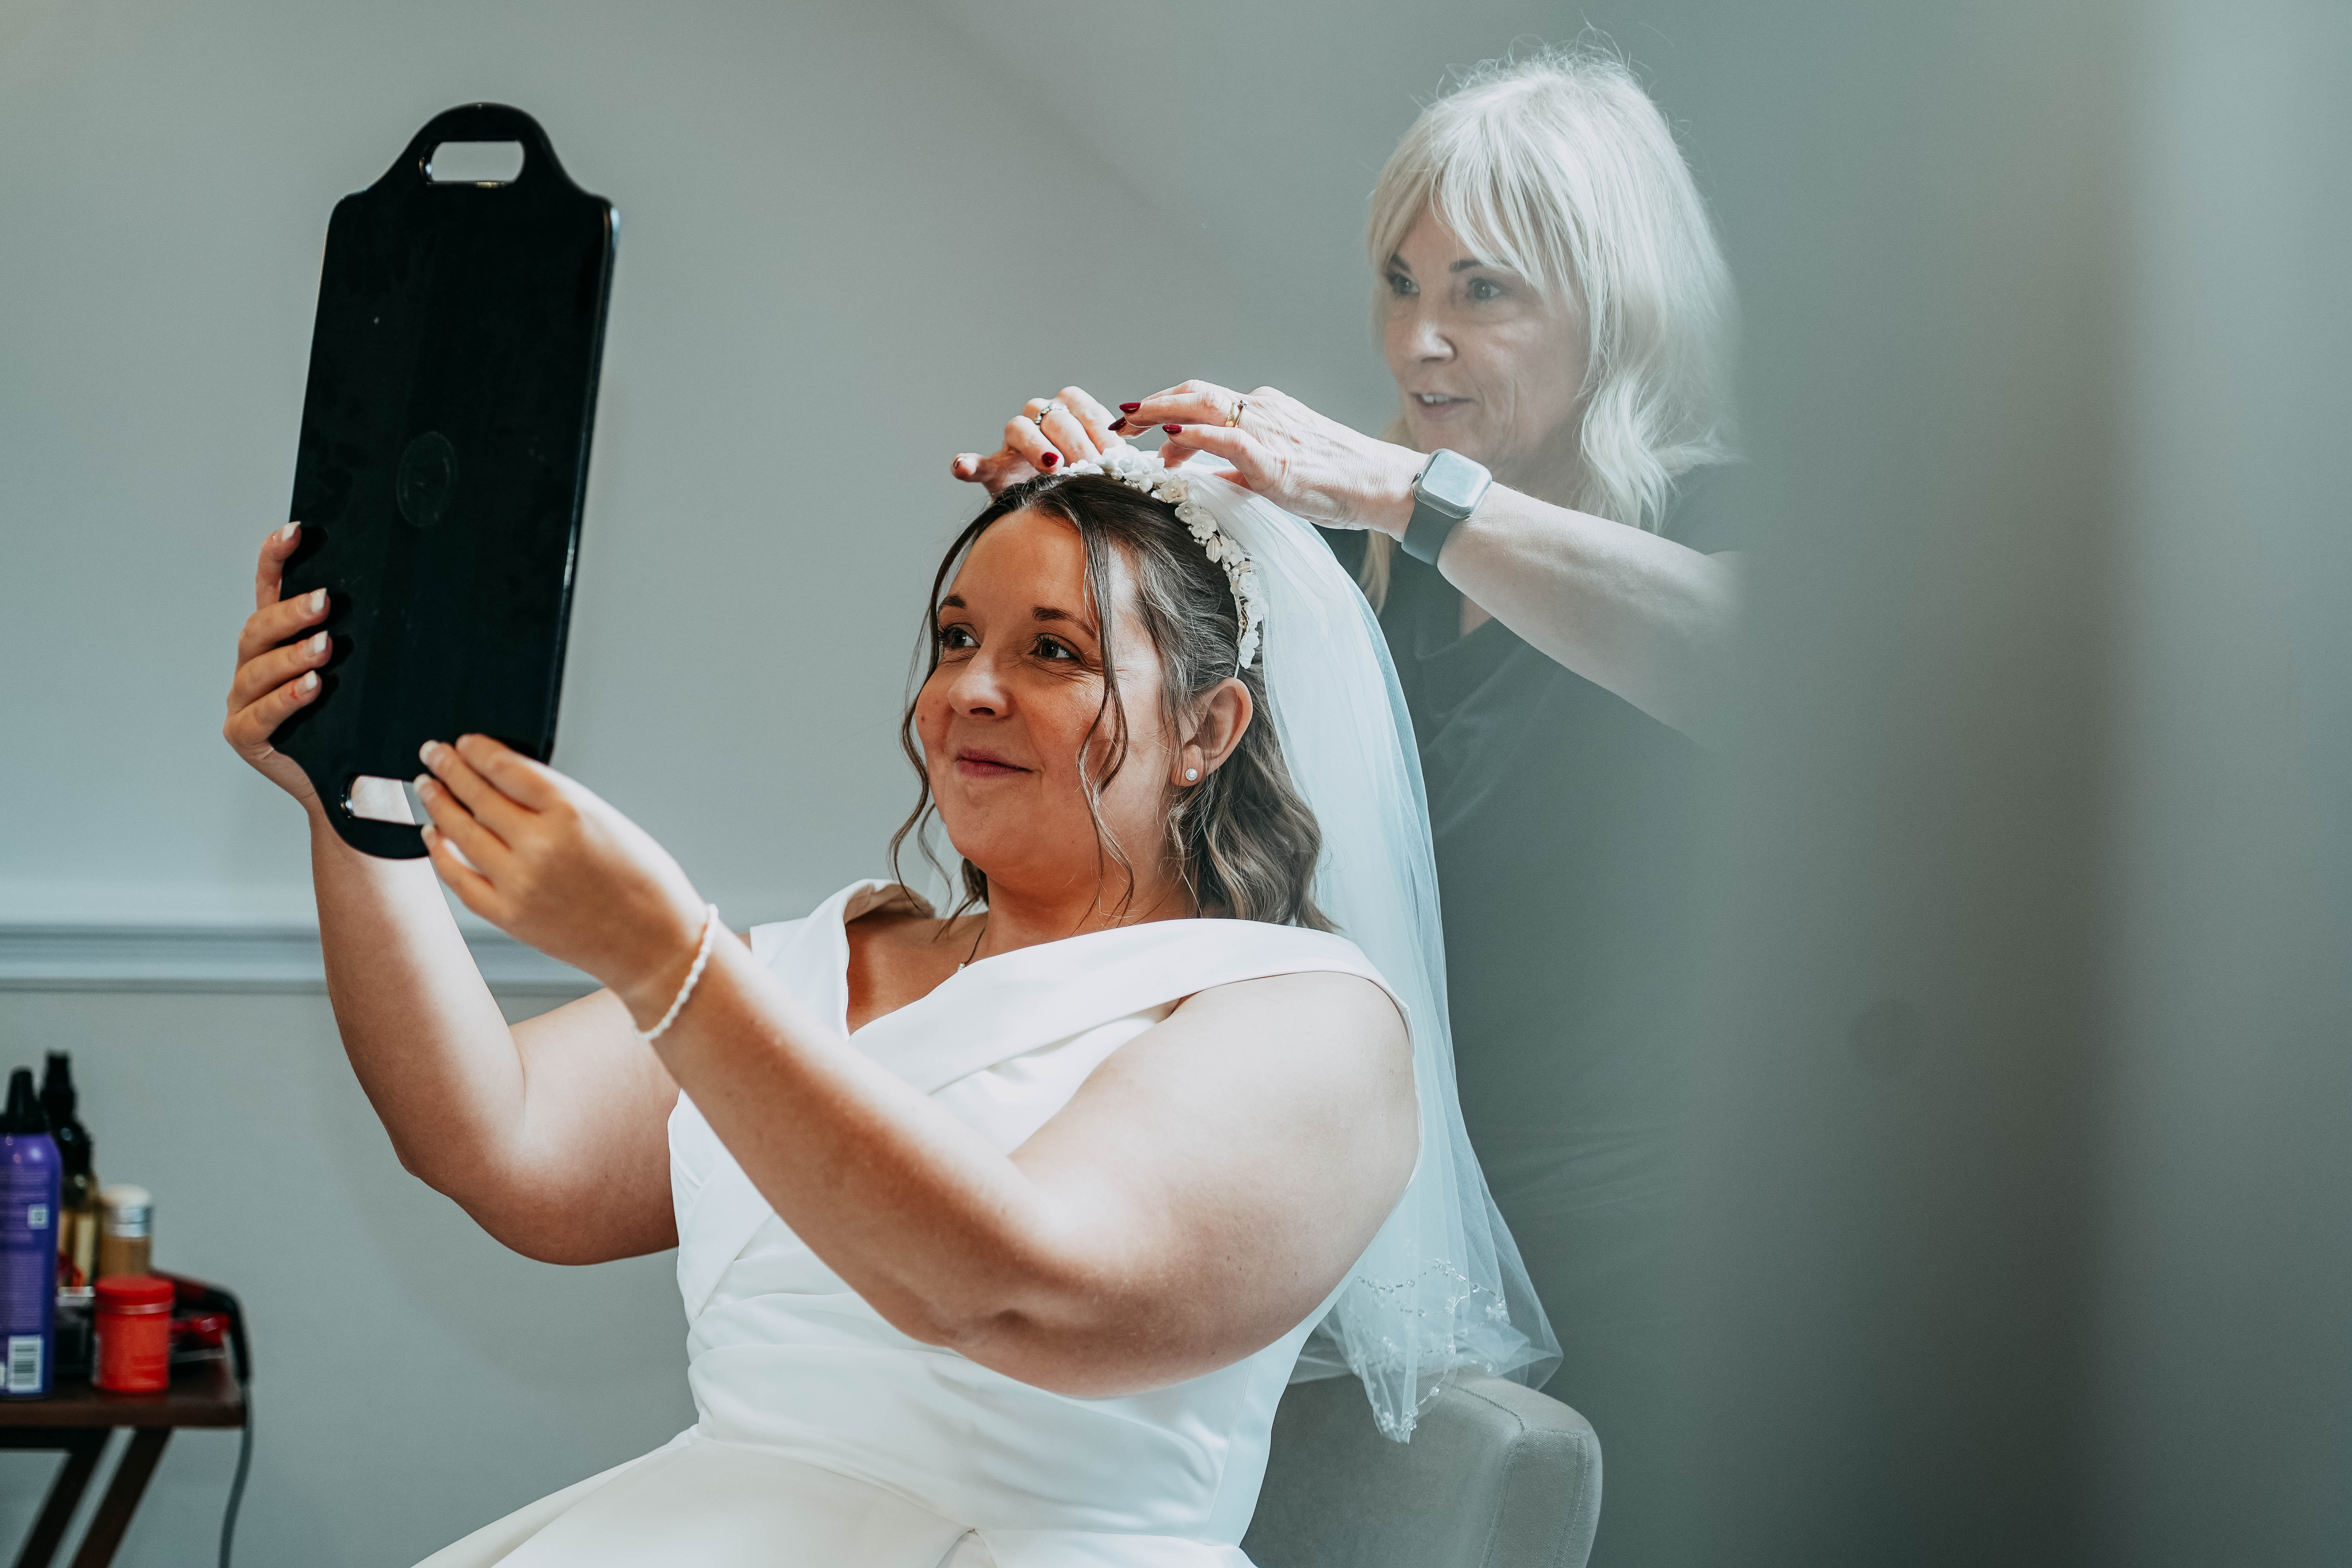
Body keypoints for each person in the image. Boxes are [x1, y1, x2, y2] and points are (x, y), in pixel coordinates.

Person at [222, 447, 1551, 1565]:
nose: (972, 685)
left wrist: (674, 963)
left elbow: (1020, 1289)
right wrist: (355, 799)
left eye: (1055, 651)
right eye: (958, 637)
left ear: (1207, 730)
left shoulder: (1302, 1017)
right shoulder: (818, 959)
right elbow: (496, 1143)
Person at [951, 47, 1738, 1564]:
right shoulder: (1374, 583)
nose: (1420, 340)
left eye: (1483, 292)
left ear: (1616, 305)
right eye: (1397, 281)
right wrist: (1078, 516)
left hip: (1659, 1258)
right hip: (1384, 1220)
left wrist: (1402, 494)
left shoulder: (1699, 518)